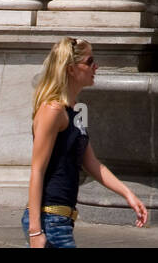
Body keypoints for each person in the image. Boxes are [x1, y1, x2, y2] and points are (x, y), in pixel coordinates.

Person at [23, 37, 148, 248]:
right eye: (90, 61)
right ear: (71, 69)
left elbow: (92, 163)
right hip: (50, 219)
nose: (96, 66)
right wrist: (35, 231)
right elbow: (37, 170)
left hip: (61, 220)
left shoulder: (72, 111)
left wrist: (128, 194)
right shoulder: (52, 111)